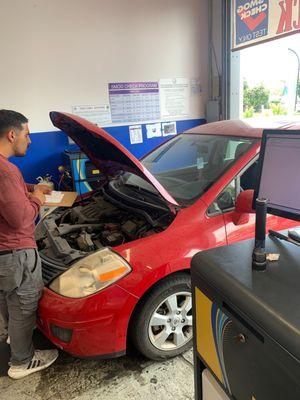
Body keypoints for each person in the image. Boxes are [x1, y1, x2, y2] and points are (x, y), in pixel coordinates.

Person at [0, 109, 58, 379]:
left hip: (3, 255)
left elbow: (8, 193)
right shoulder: (6, 170)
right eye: (27, 133)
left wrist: (29, 187)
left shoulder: (7, 173)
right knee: (24, 301)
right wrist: (36, 198)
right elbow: (21, 219)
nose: (30, 140)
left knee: (7, 297)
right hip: (13, 252)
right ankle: (22, 361)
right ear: (12, 134)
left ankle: (15, 337)